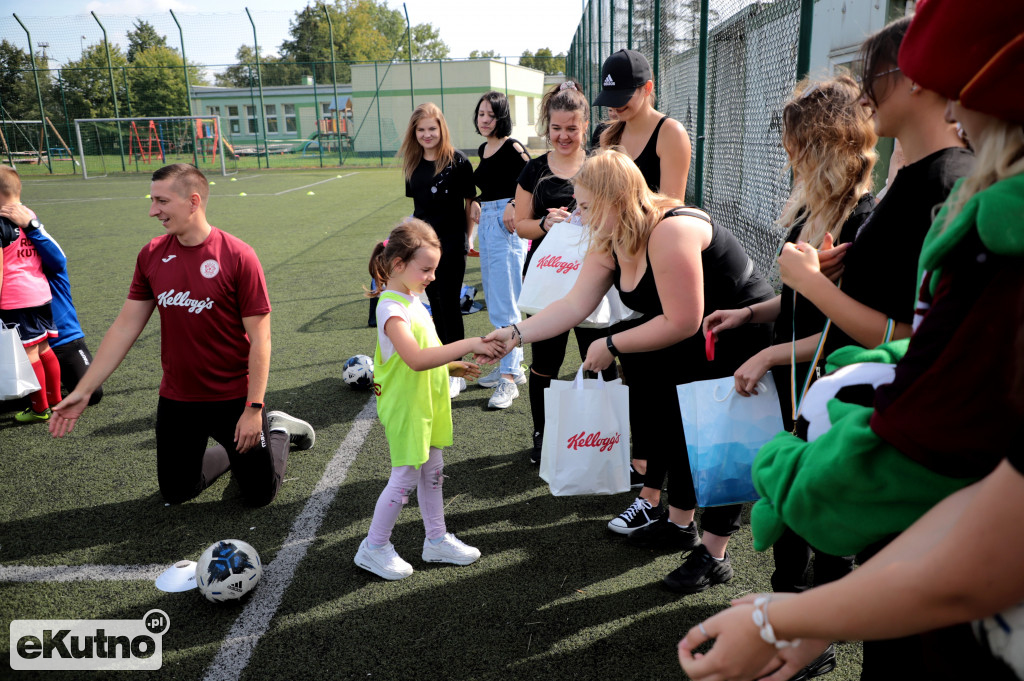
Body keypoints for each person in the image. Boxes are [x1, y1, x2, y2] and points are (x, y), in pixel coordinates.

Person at [732, 0, 1024, 677]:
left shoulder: (968, 209)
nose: (865, 96)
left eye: (875, 77)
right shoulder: (935, 195)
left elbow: (917, 363)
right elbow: (920, 343)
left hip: (951, 547)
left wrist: (810, 464)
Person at [492, 149, 774, 593]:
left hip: (738, 330)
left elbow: (683, 319)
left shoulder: (671, 229)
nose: (577, 215)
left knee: (721, 441)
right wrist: (513, 334)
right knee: (675, 423)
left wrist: (611, 343)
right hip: (691, 332)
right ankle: (680, 523)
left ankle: (715, 554)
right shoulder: (607, 234)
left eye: (585, 206)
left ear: (615, 201)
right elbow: (572, 304)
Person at [702, 74, 877, 610]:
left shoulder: (865, 222)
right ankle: (788, 604)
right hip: (796, 384)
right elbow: (799, 298)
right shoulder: (809, 208)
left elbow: (842, 331)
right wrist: (750, 312)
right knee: (791, 499)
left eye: (797, 146)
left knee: (823, 511)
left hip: (830, 388)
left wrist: (771, 352)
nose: (788, 157)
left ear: (829, 145)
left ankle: (816, 624)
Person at [48, 163, 315, 508]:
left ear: (192, 201)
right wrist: (83, 390)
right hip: (178, 399)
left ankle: (275, 429)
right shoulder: (151, 255)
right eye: (152, 200)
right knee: (176, 491)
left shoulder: (238, 256)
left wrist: (254, 408)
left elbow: (261, 339)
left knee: (259, 495)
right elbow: (125, 327)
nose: (152, 211)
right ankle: (233, 450)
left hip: (234, 399)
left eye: (161, 201)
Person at [775, 16, 972, 351]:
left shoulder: (947, 186)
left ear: (915, 79)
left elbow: (924, 335)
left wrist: (809, 283)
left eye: (872, 78)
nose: (863, 99)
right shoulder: (919, 178)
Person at [355, 219, 503, 580]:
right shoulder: (390, 308)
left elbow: (427, 353)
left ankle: (436, 540)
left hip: (427, 401)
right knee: (405, 476)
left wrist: (451, 366)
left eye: (434, 268)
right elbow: (415, 359)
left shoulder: (412, 298)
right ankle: (373, 547)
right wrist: (470, 343)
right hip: (407, 406)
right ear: (398, 264)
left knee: (433, 471)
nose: (432, 276)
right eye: (426, 269)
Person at [400, 103, 477, 399]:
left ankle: (458, 371)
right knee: (434, 304)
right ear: (414, 132)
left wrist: (469, 239)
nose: (427, 134)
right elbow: (419, 209)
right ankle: (443, 364)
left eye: (432, 128)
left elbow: (471, 203)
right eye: (421, 130)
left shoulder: (458, 162)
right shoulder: (412, 164)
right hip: (423, 249)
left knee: (449, 304)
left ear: (441, 128)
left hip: (452, 243)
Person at [471, 91, 531, 409]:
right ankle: (512, 368)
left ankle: (508, 378)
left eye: (490, 115)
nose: (484, 119)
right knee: (497, 302)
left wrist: (512, 203)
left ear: (501, 117)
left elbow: (537, 176)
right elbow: (489, 186)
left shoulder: (512, 147)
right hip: (489, 225)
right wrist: (482, 204)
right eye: (481, 114)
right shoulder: (485, 147)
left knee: (506, 305)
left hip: (507, 227)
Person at [0, 167, 62, 423]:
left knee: (29, 353)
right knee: (45, 347)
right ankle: (57, 400)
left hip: (15, 299)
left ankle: (40, 409)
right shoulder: (28, 215)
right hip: (40, 293)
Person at [21, 223, 103, 406]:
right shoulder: (9, 272)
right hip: (24, 345)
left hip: (64, 341)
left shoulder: (52, 264)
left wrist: (32, 226)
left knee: (92, 394)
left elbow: (59, 257)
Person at [594, 48, 692, 198]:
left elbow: (672, 205)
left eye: (623, 96)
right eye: (611, 97)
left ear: (647, 88)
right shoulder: (607, 137)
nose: (615, 106)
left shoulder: (671, 134)